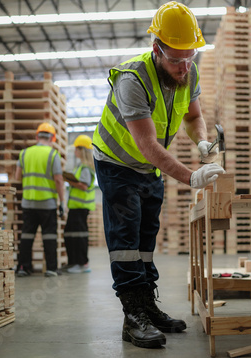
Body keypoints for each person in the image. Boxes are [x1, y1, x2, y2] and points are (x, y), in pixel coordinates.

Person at [92, 1, 225, 349]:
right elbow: (148, 144)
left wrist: (203, 143)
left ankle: (148, 306)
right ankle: (132, 315)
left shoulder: (188, 72)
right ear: (157, 48)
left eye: (190, 58)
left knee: (147, 236)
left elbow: (193, 117)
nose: (184, 68)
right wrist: (192, 177)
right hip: (117, 163)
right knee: (126, 239)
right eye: (176, 60)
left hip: (149, 168)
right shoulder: (132, 79)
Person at [15, 122, 65, 278]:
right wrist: (62, 202)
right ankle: (51, 268)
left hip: (28, 203)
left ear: (37, 136)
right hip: (47, 203)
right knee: (49, 235)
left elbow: (17, 177)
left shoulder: (24, 153)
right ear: (52, 138)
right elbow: (58, 179)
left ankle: (23, 267)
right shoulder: (52, 154)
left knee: (27, 236)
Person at [63, 134, 96, 274]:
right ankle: (73, 262)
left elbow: (83, 185)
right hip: (75, 207)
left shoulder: (86, 168)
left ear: (82, 150)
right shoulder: (80, 166)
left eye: (77, 148)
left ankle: (82, 263)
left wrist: (68, 180)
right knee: (69, 234)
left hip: (81, 208)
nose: (75, 151)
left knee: (79, 236)